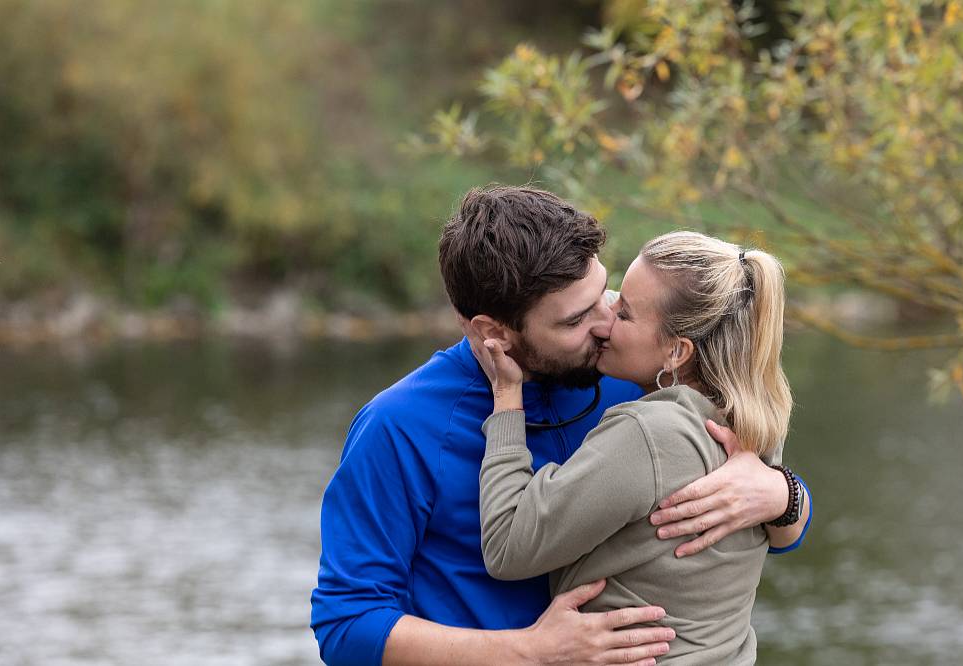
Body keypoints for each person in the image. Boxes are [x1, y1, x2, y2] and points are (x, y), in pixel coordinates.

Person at [311, 186, 811, 665]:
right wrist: (528, 653)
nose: (604, 323)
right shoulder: (398, 427)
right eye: (574, 320)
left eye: (605, 294)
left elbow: (765, 537)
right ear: (494, 332)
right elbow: (347, 626)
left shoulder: (634, 375)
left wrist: (782, 495)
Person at [475, 230, 810, 664]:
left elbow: (506, 548)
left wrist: (506, 399)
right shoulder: (756, 417)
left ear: (676, 353)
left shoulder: (650, 433)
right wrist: (789, 493)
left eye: (625, 313)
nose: (606, 319)